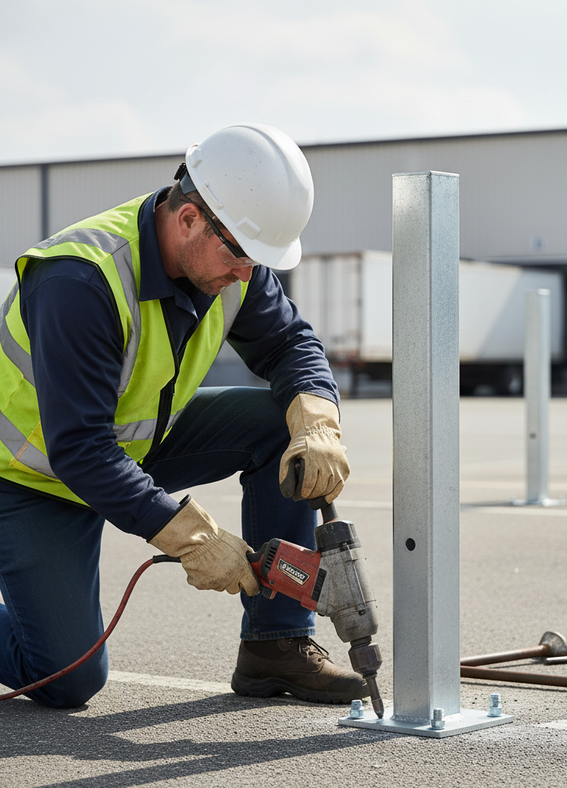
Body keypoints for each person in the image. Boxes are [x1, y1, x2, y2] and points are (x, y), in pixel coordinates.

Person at [0, 123, 368, 709]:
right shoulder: (79, 279)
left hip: (128, 445)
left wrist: (318, 421)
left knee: (282, 422)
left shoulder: (227, 262)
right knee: (67, 680)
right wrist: (190, 536)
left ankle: (276, 646)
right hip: (32, 475)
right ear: (190, 217)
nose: (249, 273)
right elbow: (79, 449)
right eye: (241, 254)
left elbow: (290, 345)